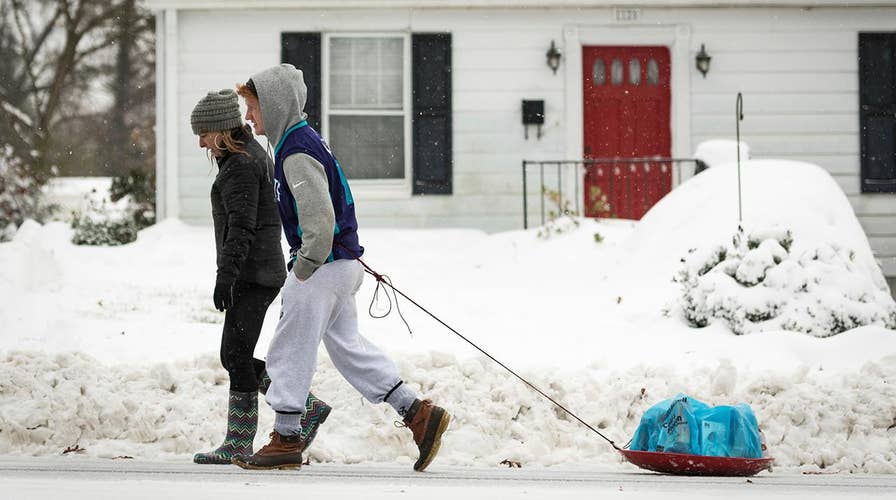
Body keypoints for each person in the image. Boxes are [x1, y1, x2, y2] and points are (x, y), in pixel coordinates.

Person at [231, 65, 450, 472]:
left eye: (253, 107)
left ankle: (286, 436)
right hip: (340, 264)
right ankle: (417, 414)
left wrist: (303, 269)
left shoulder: (295, 152)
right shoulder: (302, 142)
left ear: (274, 105)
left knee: (289, 348)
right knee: (349, 349)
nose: (248, 117)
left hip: (322, 266)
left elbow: (319, 221)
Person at [189, 89, 332, 464]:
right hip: (258, 270)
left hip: (253, 273)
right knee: (233, 353)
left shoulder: (241, 165)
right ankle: (306, 407)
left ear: (220, 130)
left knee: (234, 354)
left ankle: (240, 441)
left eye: (203, 133)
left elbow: (242, 226)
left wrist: (227, 276)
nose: (201, 141)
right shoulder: (246, 156)